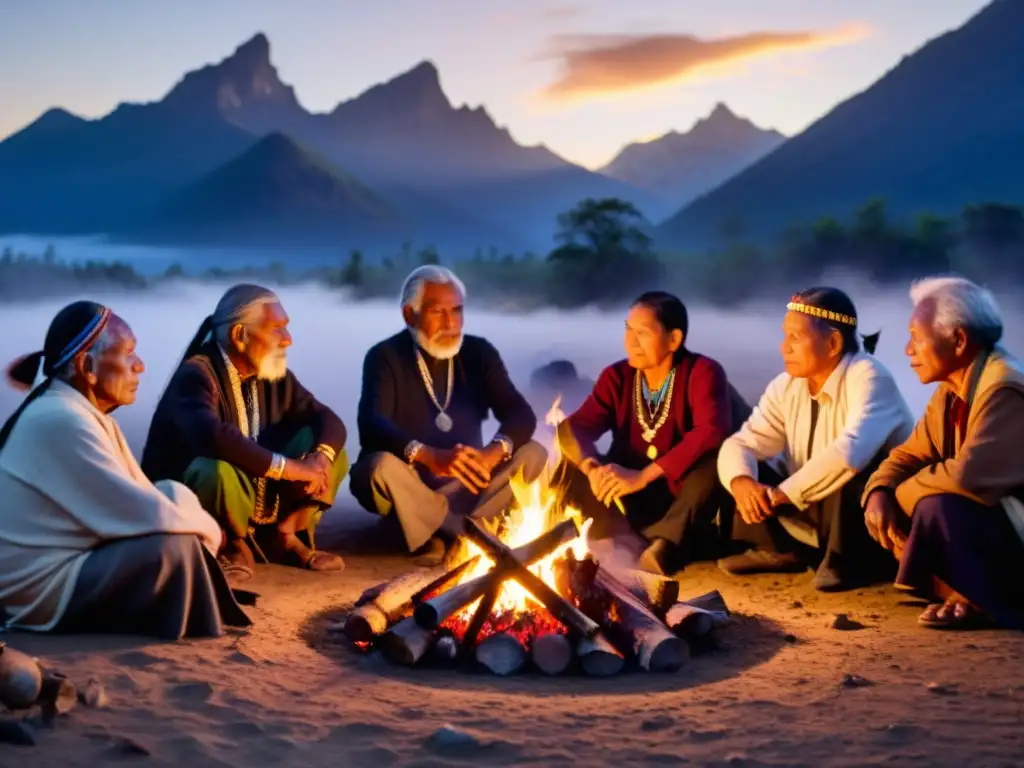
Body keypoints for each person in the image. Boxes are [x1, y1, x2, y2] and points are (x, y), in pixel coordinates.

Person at [0, 301, 249, 639]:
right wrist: (212, 532)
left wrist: (193, 525)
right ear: (87, 366)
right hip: (41, 589)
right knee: (172, 548)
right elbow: (147, 515)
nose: (140, 366)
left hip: (73, 557)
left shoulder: (82, 412)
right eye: (128, 353)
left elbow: (141, 496)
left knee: (173, 493)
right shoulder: (63, 420)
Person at [716, 287, 915, 591]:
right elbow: (741, 443)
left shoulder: (869, 376)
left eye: (795, 338)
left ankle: (844, 562)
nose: (785, 348)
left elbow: (849, 451)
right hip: (810, 503)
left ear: (833, 342)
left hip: (867, 511)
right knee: (742, 469)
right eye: (785, 337)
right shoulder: (786, 385)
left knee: (858, 469)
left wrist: (782, 494)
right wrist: (742, 482)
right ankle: (781, 550)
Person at [142, 284, 348, 576]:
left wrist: (320, 460)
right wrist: (289, 469)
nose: (287, 340)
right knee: (212, 471)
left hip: (261, 495)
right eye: (277, 329)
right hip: (197, 500)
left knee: (332, 453)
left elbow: (327, 418)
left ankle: (286, 536)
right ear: (239, 336)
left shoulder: (272, 373)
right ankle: (229, 544)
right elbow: (212, 436)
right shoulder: (196, 374)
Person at [351, 265, 545, 566]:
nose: (451, 322)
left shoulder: (478, 352)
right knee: (378, 467)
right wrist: (428, 456)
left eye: (457, 310)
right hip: (412, 480)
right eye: (438, 312)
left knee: (533, 452)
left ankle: (445, 531)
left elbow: (520, 414)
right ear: (409, 314)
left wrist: (492, 455)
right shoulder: (385, 356)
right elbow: (371, 424)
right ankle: (465, 534)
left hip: (470, 481)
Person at [862, 276, 1024, 629]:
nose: (908, 350)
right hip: (1003, 530)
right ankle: (961, 591)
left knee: (937, 506)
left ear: (959, 340)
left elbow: (967, 476)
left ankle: (979, 597)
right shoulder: (953, 389)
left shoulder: (1003, 387)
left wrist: (899, 495)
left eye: (916, 338)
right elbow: (908, 455)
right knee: (916, 501)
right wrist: (880, 490)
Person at [556, 291, 736, 575]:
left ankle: (665, 546)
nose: (631, 341)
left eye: (643, 332)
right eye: (628, 329)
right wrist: (591, 469)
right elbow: (573, 427)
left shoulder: (702, 372)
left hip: (680, 498)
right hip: (626, 498)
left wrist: (643, 476)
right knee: (568, 459)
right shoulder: (617, 376)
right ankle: (613, 538)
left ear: (674, 340)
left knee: (719, 460)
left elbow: (712, 431)